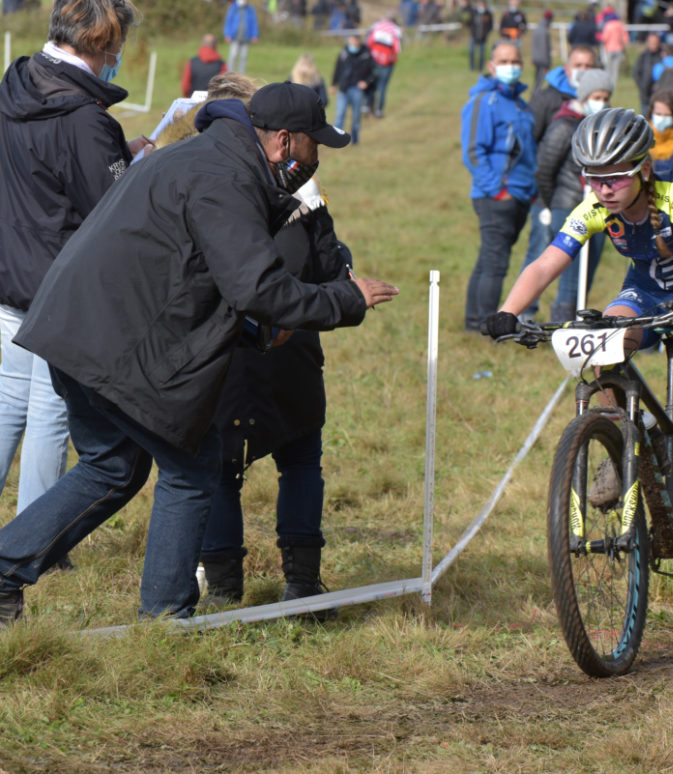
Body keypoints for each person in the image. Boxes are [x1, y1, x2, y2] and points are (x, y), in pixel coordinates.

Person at [0, 82, 398, 626]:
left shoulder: (209, 156)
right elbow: (257, 287)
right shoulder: (224, 179)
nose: (317, 158)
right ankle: (166, 616)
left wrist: (259, 333)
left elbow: (201, 277)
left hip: (76, 328)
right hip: (111, 340)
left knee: (111, 467)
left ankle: (6, 571)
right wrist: (346, 299)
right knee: (191, 467)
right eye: (315, 145)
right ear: (284, 141)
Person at [483, 109, 673, 599]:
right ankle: (627, 433)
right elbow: (547, 262)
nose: (603, 188)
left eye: (615, 178)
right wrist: (508, 311)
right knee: (598, 342)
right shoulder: (595, 208)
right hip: (643, 295)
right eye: (594, 178)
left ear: (644, 169)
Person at [0, 0, 153, 572]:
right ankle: (34, 542)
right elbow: (110, 209)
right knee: (51, 412)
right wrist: (137, 167)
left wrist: (118, 155)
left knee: (8, 402)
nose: (118, 58)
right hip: (57, 287)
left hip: (9, 270)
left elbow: (47, 171)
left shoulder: (15, 85)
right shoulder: (86, 118)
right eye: (117, 48)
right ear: (103, 45)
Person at [521, 69, 615, 323]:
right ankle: (561, 325)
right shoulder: (564, 126)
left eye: (605, 98)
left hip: (599, 210)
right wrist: (554, 204)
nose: (601, 103)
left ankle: (577, 321)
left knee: (587, 275)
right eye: (596, 97)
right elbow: (544, 170)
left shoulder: (604, 127)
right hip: (567, 206)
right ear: (584, 96)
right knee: (571, 277)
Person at [460, 40, 537, 332]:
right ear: (491, 66)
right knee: (496, 263)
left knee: (488, 259)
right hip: (495, 196)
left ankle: (473, 322)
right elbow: (473, 151)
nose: (510, 66)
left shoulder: (521, 104)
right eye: (504, 61)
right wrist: (497, 190)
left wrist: (530, 189)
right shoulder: (483, 102)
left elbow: (528, 151)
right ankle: (486, 326)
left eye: (515, 61)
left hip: (521, 194)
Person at [331, 32, 373, 144]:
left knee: (356, 117)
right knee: (340, 114)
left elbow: (373, 72)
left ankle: (355, 139)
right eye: (350, 43)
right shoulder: (344, 52)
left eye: (354, 44)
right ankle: (336, 140)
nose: (352, 46)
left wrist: (366, 82)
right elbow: (338, 68)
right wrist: (333, 84)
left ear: (359, 43)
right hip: (343, 88)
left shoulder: (366, 54)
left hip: (357, 90)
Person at [367, 14, 402, 118]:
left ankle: (367, 107)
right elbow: (397, 49)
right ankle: (379, 110)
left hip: (374, 60)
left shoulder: (376, 26)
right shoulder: (395, 30)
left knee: (371, 84)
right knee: (382, 87)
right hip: (387, 63)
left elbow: (369, 43)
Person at [182, 33, 226, 98]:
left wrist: (188, 98)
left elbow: (185, 86)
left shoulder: (191, 62)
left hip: (194, 101)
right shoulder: (221, 64)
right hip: (213, 100)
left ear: (202, 44)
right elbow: (224, 86)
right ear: (216, 46)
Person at [632, 32, 665, 114]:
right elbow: (636, 72)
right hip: (645, 93)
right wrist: (641, 85)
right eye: (652, 42)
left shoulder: (663, 55)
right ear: (648, 43)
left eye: (655, 42)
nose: (653, 44)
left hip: (659, 93)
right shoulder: (643, 56)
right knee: (645, 114)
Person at [223, 0, 259, 74]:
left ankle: (242, 75)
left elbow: (254, 23)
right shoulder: (233, 8)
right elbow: (228, 21)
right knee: (233, 55)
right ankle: (230, 73)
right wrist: (227, 34)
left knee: (243, 57)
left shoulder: (250, 9)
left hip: (246, 37)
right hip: (235, 37)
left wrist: (254, 35)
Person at [598, 10, 629, 76]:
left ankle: (608, 80)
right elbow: (625, 38)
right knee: (615, 68)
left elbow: (605, 38)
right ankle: (614, 81)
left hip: (609, 48)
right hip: (619, 49)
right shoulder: (621, 25)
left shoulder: (608, 25)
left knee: (608, 67)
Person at [467, 1, 493, 72]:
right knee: (471, 51)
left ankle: (480, 68)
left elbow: (490, 25)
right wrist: (472, 32)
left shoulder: (488, 14)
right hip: (473, 36)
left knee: (482, 53)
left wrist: (486, 33)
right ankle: (472, 67)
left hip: (483, 37)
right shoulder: (474, 13)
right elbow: (469, 23)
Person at [531, 9, 553, 91]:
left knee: (537, 79)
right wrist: (547, 63)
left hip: (536, 57)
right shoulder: (544, 31)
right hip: (542, 60)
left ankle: (535, 92)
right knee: (539, 80)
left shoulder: (537, 29)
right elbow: (544, 47)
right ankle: (536, 94)